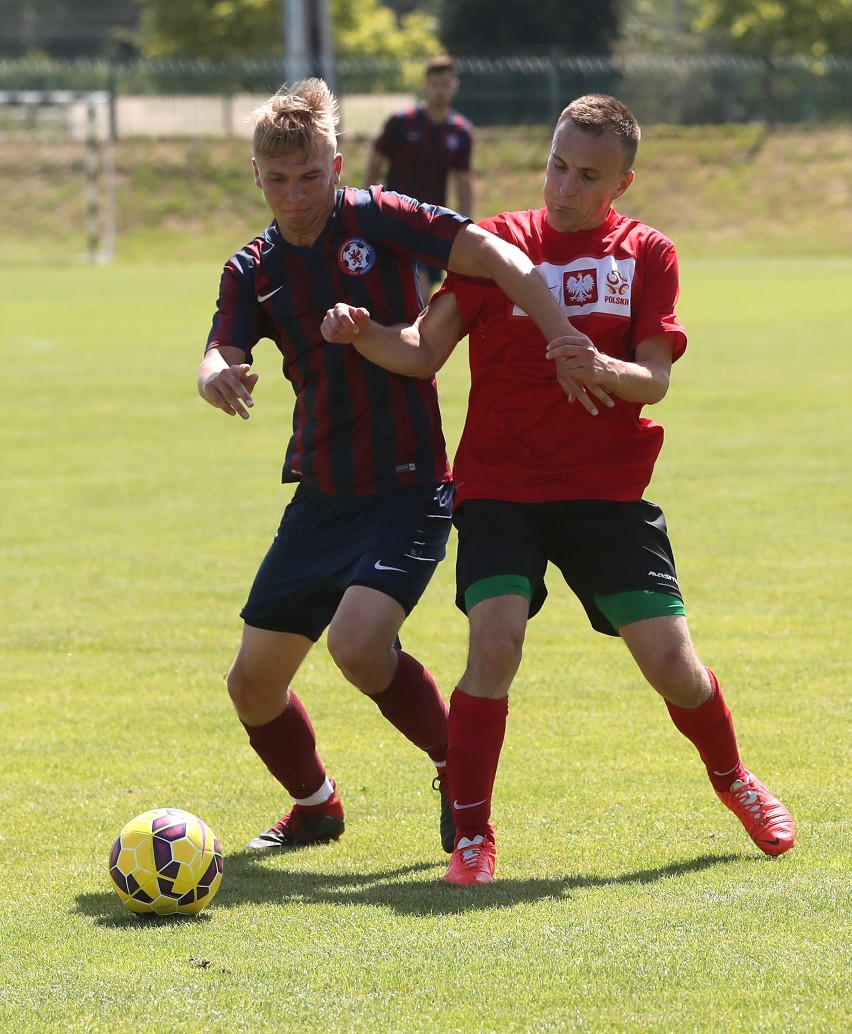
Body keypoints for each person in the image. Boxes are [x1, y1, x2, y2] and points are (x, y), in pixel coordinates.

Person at [321, 93, 796, 884]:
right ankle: (473, 836)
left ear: (622, 183)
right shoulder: (497, 245)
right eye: (556, 165)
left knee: (674, 666)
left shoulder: (647, 252)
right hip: (501, 486)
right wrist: (363, 331)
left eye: (586, 176)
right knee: (494, 641)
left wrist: (602, 368)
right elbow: (423, 352)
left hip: (606, 492)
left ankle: (735, 781)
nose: (563, 188)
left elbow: (656, 380)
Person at [197, 78, 594, 856]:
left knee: (356, 644)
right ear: (256, 177)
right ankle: (317, 808)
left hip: (408, 486)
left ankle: (457, 765)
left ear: (336, 166)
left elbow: (494, 253)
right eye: (277, 180)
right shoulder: (251, 268)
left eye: (310, 176)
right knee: (250, 685)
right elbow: (224, 345)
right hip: (321, 493)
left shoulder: (379, 216)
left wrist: (561, 334)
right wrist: (216, 370)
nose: (295, 193)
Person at [364, 55, 474, 300]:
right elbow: (375, 163)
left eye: (445, 84)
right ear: (425, 85)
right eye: (435, 84)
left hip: (433, 223)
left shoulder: (460, 131)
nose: (440, 91)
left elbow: (463, 180)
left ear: (454, 85)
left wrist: (467, 223)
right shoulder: (401, 122)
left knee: (418, 292)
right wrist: (367, 205)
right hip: (395, 219)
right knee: (417, 289)